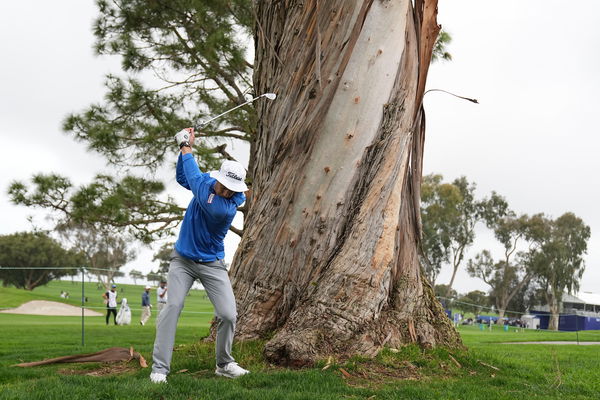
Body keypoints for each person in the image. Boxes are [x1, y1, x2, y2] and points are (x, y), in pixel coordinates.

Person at [150, 127, 249, 384]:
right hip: (182, 261)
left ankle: (224, 364)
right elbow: (186, 178)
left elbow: (194, 175)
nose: (227, 191)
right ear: (218, 178)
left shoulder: (223, 208)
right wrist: (182, 149)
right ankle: (160, 368)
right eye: (224, 186)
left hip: (212, 264)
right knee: (172, 306)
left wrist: (185, 145)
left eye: (231, 189)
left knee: (228, 315)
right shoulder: (205, 183)